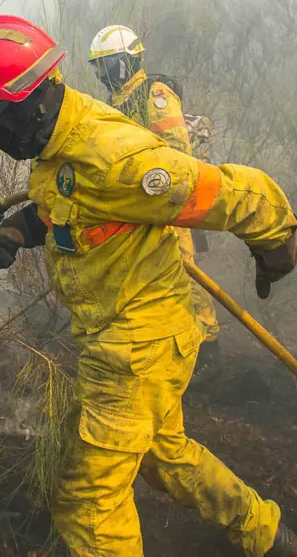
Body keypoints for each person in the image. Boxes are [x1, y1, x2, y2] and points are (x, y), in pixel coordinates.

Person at [0, 15, 297, 557]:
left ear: (28, 99)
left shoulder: (118, 159)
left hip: (137, 350)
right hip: (122, 338)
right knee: (166, 457)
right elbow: (69, 208)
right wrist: (17, 230)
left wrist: (277, 249)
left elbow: (234, 191)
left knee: (89, 504)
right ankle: (274, 541)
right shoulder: (59, 139)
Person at [87, 25, 223, 382]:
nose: (104, 76)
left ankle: (208, 345)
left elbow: (176, 151)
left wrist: (157, 193)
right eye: (98, 68)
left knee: (183, 268)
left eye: (109, 66)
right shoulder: (115, 104)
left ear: (129, 62)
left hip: (168, 199)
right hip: (138, 203)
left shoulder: (154, 94)